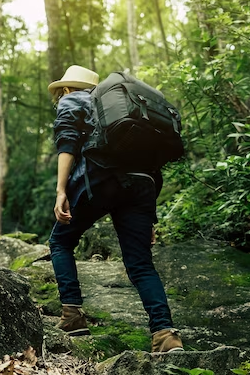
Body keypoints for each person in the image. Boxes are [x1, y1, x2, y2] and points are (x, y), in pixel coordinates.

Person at [47, 65, 183, 353]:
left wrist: (61, 191)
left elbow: (67, 144)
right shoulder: (126, 106)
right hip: (142, 185)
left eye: (61, 92)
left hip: (102, 178)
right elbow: (152, 167)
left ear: (68, 89)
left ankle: (72, 316)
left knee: (60, 241)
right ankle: (165, 334)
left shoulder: (74, 100)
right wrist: (150, 221)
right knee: (141, 264)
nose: (60, 97)